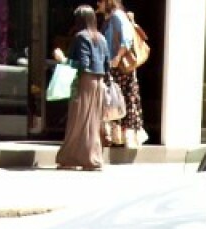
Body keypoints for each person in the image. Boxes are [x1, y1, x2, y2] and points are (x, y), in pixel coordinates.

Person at [53, 5, 108, 171]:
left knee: (77, 120)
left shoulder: (81, 37)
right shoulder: (101, 38)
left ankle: (71, 158)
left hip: (84, 82)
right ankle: (92, 158)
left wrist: (63, 59)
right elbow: (106, 65)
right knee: (91, 121)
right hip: (99, 82)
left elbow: (83, 65)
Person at [104, 0, 145, 149]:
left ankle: (125, 137)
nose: (98, 4)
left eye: (100, 1)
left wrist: (117, 57)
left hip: (120, 68)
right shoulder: (111, 18)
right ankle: (120, 138)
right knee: (118, 100)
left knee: (119, 100)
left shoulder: (117, 16)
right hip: (118, 68)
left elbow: (126, 39)